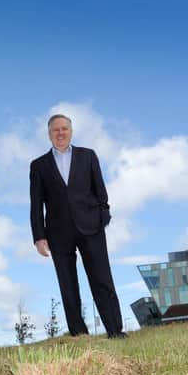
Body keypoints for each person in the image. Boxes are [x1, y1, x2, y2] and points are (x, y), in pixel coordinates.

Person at [29, 114, 126, 338]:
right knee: (68, 285)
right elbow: (36, 204)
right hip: (58, 233)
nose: (60, 133)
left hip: (91, 227)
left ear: (71, 132)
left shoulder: (88, 156)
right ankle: (79, 333)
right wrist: (39, 236)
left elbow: (100, 191)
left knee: (102, 278)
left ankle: (115, 329)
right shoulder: (39, 165)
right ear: (49, 134)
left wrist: (104, 217)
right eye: (56, 130)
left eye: (64, 129)